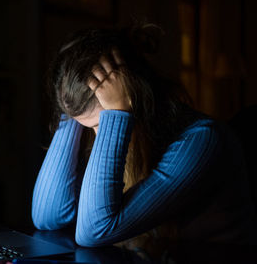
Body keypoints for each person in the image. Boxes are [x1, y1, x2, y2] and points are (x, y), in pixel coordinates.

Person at [31, 25, 257, 257]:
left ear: (134, 99)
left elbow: (93, 232)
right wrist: (69, 113)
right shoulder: (89, 120)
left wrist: (117, 115)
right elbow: (46, 218)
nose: (100, 136)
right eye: (86, 126)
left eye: (102, 124)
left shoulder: (203, 140)